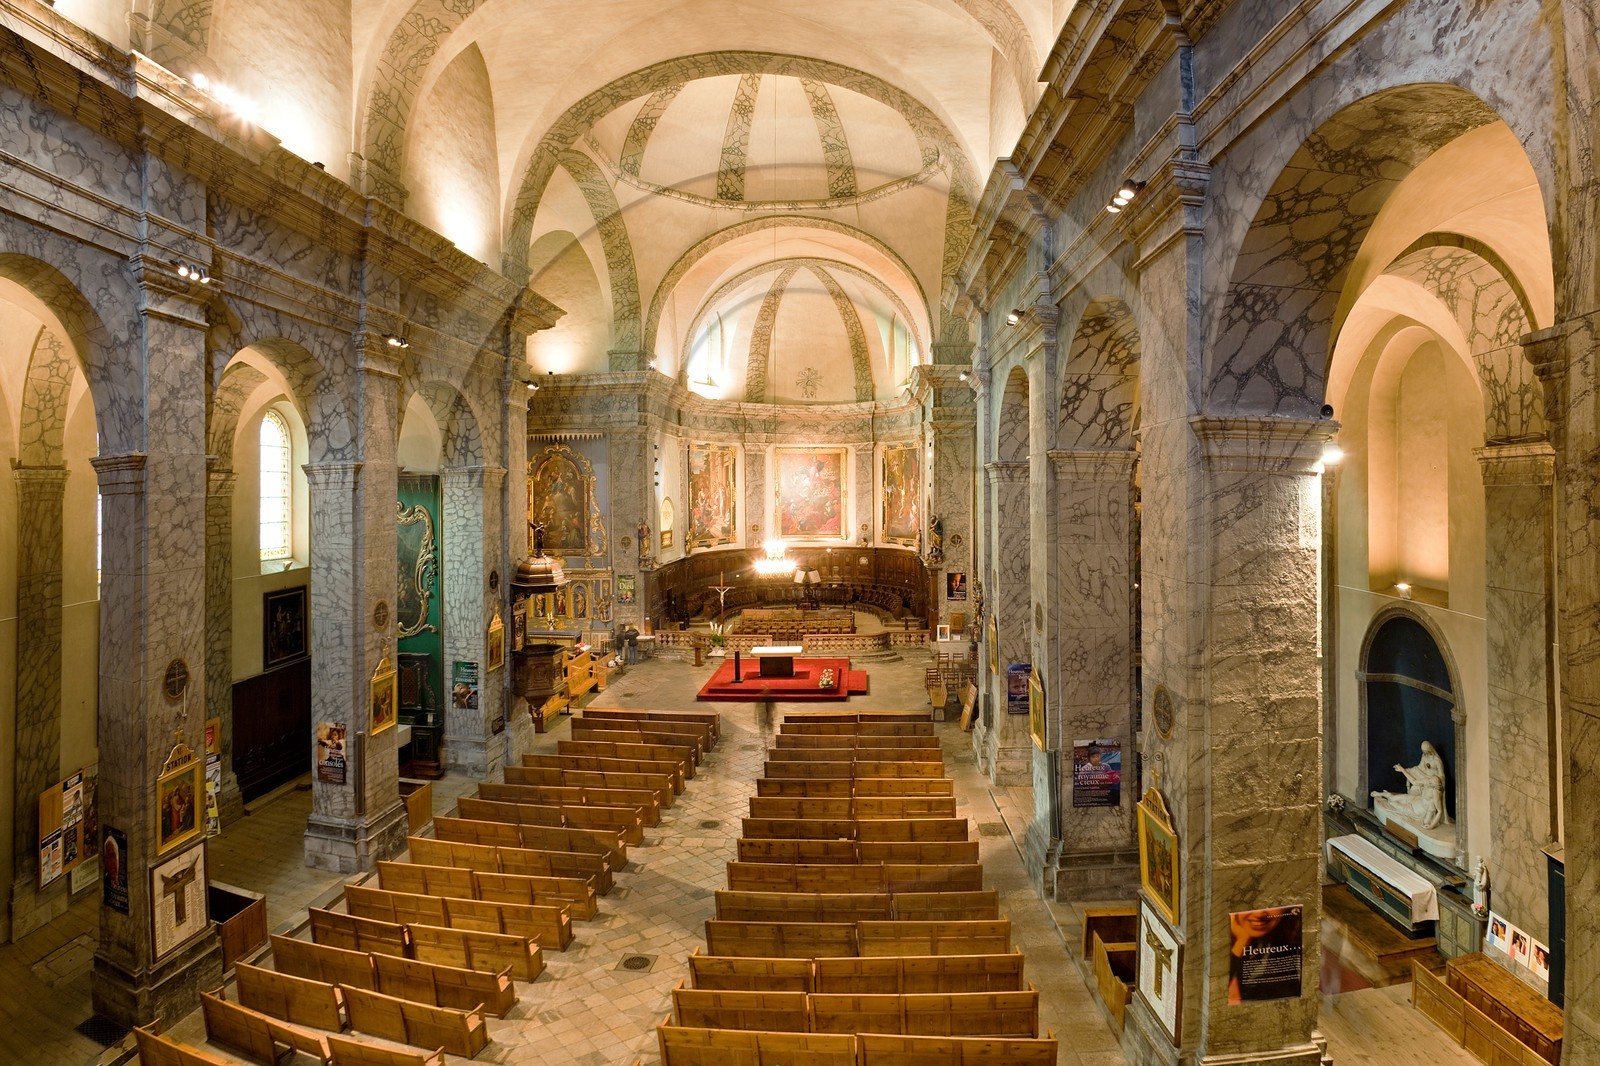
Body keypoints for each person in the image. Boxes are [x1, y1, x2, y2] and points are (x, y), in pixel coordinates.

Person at [1228, 906, 1303, 1003]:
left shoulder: (1293, 945)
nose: (1259, 914)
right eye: (1250, 904)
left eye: (1272, 905)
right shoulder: (1219, 937)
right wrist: (1241, 942)